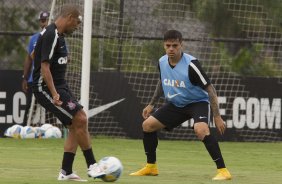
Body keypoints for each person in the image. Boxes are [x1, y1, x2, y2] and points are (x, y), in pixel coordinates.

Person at [129, 30, 232, 180]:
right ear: (164, 46)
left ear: (181, 45)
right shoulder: (162, 61)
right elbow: (162, 81)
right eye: (168, 45)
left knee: (201, 130)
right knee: (147, 125)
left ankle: (223, 171)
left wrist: (217, 116)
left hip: (197, 102)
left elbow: (211, 90)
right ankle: (151, 167)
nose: (171, 49)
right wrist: (151, 104)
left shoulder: (191, 64)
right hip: (176, 104)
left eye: (175, 45)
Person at [32, 5, 105, 181]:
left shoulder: (59, 36)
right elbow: (44, 66)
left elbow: (36, 53)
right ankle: (92, 166)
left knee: (75, 123)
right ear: (70, 17)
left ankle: (66, 171)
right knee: (81, 118)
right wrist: (54, 93)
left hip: (61, 86)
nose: (78, 27)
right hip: (46, 88)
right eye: (77, 23)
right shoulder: (51, 34)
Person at [21, 11, 50, 126]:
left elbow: (67, 57)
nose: (44, 24)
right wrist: (25, 77)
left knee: (51, 108)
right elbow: (29, 58)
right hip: (35, 79)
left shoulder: (58, 37)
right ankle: (24, 129)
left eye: (46, 20)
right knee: (30, 106)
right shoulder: (34, 39)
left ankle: (53, 131)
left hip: (50, 79)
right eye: (42, 21)